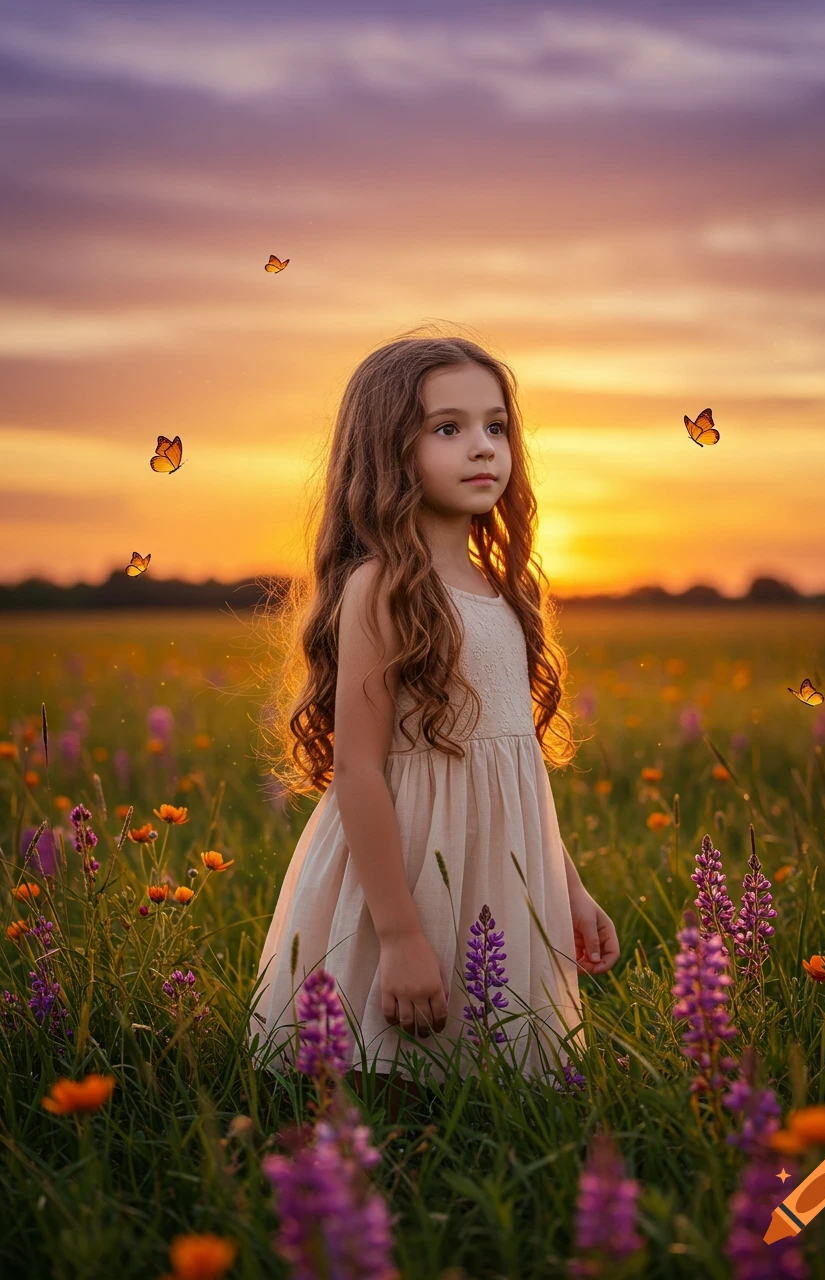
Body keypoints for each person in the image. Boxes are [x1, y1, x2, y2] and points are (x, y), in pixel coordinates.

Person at [250, 331, 620, 1122]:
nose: (482, 447)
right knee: (389, 1082)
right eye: (447, 428)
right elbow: (358, 771)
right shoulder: (382, 588)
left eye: (496, 426)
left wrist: (569, 887)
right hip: (407, 874)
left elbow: (513, 768)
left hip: (499, 871)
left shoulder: (503, 589)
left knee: (493, 1094)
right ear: (389, 451)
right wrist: (401, 936)